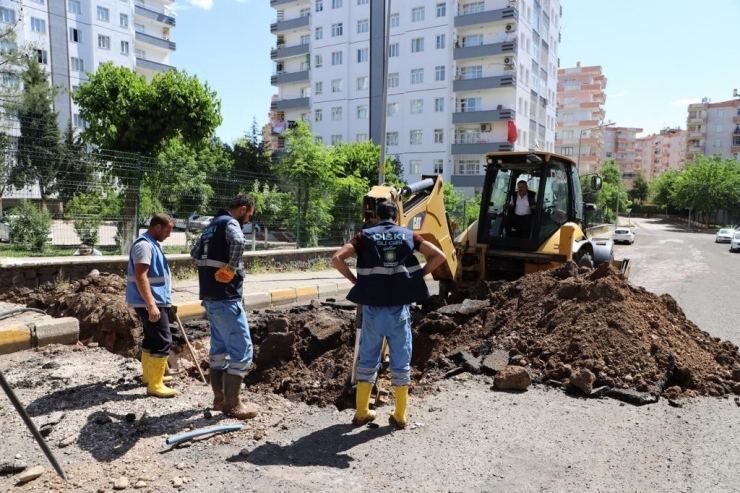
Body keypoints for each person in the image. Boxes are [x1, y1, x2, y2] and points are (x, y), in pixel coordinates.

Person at [332, 201, 445, 429]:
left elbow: (336, 258)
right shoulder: (409, 235)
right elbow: (439, 256)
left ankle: (362, 412)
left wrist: (356, 282)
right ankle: (400, 415)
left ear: (375, 215)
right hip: (398, 309)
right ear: (397, 216)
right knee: (401, 361)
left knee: (367, 359)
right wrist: (417, 277)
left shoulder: (364, 236)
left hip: (372, 309)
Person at [190, 194, 259, 420]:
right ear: (242, 208)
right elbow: (239, 242)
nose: (248, 220)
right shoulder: (230, 223)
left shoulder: (210, 226)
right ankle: (234, 403)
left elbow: (194, 253)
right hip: (226, 297)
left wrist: (211, 270)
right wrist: (230, 267)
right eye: (249, 214)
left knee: (219, 350)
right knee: (242, 350)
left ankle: (219, 399)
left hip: (210, 297)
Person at [125, 213, 176, 398]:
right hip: (150, 302)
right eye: (168, 230)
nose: (169, 235)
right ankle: (155, 384)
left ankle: (150, 376)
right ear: (157, 227)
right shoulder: (144, 246)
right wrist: (151, 304)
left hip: (154, 300)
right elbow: (141, 276)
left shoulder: (151, 243)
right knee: (163, 340)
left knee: (151, 338)